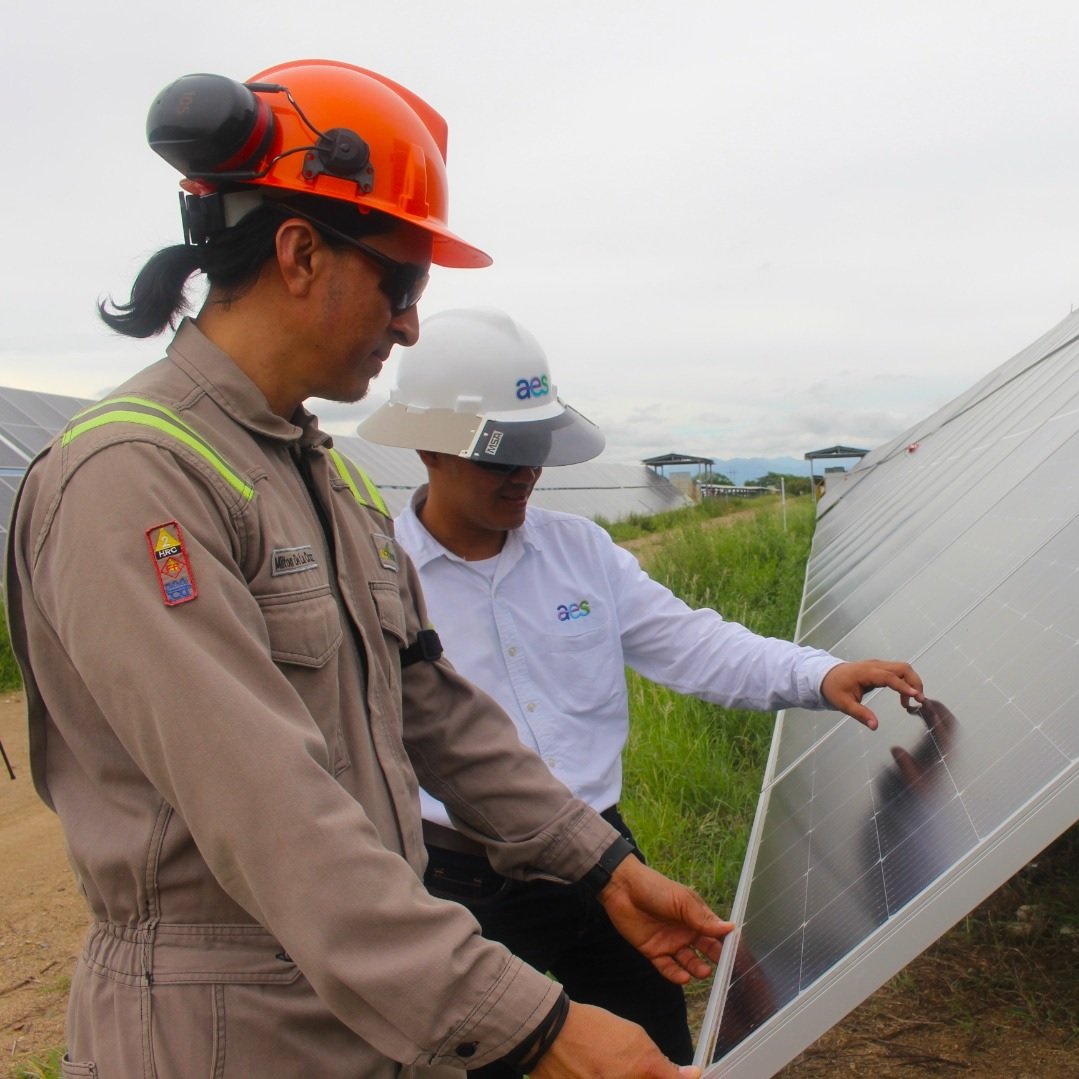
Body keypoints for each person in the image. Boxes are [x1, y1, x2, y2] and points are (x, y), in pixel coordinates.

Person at [5, 61, 732, 1079]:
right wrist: (541, 1026)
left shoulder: (322, 474)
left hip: (356, 1008)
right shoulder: (136, 478)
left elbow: (428, 703)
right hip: (219, 1033)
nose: (409, 325)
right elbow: (267, 808)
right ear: (302, 252)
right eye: (401, 283)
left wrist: (599, 864)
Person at [357, 307, 926, 1066]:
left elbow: (694, 644)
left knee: (654, 1045)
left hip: (600, 856)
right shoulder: (378, 577)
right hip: (462, 875)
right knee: (505, 1054)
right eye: (502, 457)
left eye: (535, 451)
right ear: (429, 446)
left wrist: (819, 673)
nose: (526, 473)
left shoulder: (578, 552)